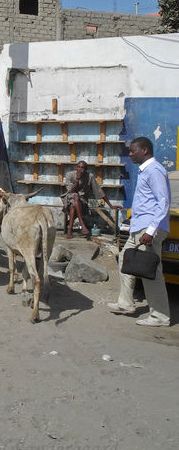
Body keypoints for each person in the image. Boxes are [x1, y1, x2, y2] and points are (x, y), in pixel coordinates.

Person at [108, 137, 171, 327]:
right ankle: (125, 303)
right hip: (139, 227)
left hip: (149, 228)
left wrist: (151, 231)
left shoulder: (154, 170)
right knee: (124, 261)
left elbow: (163, 202)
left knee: (150, 271)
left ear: (144, 150)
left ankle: (160, 316)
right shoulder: (146, 170)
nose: (130, 154)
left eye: (132, 151)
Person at [61, 160, 120, 239]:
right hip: (68, 198)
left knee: (74, 205)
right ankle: (82, 224)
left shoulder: (89, 176)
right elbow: (71, 190)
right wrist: (77, 179)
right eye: (79, 167)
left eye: (82, 168)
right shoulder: (70, 175)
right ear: (76, 167)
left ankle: (69, 230)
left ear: (85, 169)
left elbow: (99, 191)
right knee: (75, 196)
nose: (80, 169)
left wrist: (110, 205)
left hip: (82, 200)